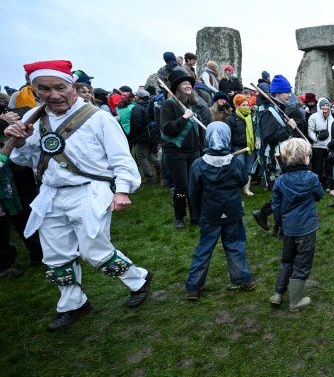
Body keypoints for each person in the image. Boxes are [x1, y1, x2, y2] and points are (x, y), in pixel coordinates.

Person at [2, 59, 153, 331]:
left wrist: (122, 191)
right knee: (56, 255)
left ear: (73, 86)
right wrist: (21, 141)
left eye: (60, 87)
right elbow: (25, 161)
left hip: (89, 191)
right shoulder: (32, 119)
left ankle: (139, 279)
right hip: (49, 194)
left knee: (94, 250)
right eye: (44, 89)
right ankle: (73, 303)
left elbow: (121, 158)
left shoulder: (99, 117)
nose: (54, 95)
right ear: (34, 89)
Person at [185, 122, 255, 301]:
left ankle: (194, 287)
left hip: (210, 213)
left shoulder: (198, 165)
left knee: (204, 248)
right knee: (236, 244)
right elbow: (242, 180)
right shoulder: (235, 163)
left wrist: (198, 211)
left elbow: (193, 193)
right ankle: (244, 279)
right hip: (232, 210)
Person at [269, 138, 324, 311]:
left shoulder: (280, 181)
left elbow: (275, 206)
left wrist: (280, 222)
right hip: (306, 229)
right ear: (306, 158)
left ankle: (278, 293)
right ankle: (294, 302)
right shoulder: (312, 178)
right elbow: (320, 195)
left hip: (288, 228)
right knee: (302, 264)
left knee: (287, 260)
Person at [159, 66, 212, 229]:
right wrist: (184, 117)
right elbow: (167, 129)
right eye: (184, 84)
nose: (189, 85)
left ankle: (196, 215)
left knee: (195, 184)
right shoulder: (169, 105)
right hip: (176, 153)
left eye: (190, 83)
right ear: (177, 87)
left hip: (194, 150)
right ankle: (180, 217)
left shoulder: (192, 103)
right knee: (181, 186)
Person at [251, 74, 300, 231]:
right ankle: (278, 226)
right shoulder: (269, 112)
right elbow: (270, 137)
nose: (289, 95)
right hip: (273, 160)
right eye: (287, 92)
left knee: (282, 194)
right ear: (277, 93)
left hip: (280, 157)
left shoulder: (276, 108)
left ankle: (265, 216)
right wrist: (288, 129)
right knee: (284, 193)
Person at [225, 94, 256, 196]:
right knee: (238, 167)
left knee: (249, 168)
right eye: (244, 105)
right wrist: (228, 149)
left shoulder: (251, 116)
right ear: (237, 106)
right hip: (238, 147)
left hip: (251, 146)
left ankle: (246, 189)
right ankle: (236, 188)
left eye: (247, 105)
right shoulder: (231, 118)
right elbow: (228, 134)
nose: (247, 107)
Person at [128, 89, 160, 183]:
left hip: (144, 137)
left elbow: (136, 125)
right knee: (150, 155)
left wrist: (132, 136)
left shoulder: (137, 108)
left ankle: (149, 177)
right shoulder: (153, 106)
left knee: (141, 157)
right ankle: (162, 170)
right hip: (154, 135)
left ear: (138, 97)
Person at [307, 97, 334, 190]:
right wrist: (316, 139)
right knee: (317, 167)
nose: (325, 107)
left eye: (327, 105)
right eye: (323, 106)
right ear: (320, 107)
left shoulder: (331, 118)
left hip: (329, 146)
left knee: (329, 167)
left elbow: (332, 131)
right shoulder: (313, 117)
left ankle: (328, 185)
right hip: (318, 146)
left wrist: (331, 143)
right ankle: (317, 185)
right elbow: (310, 131)